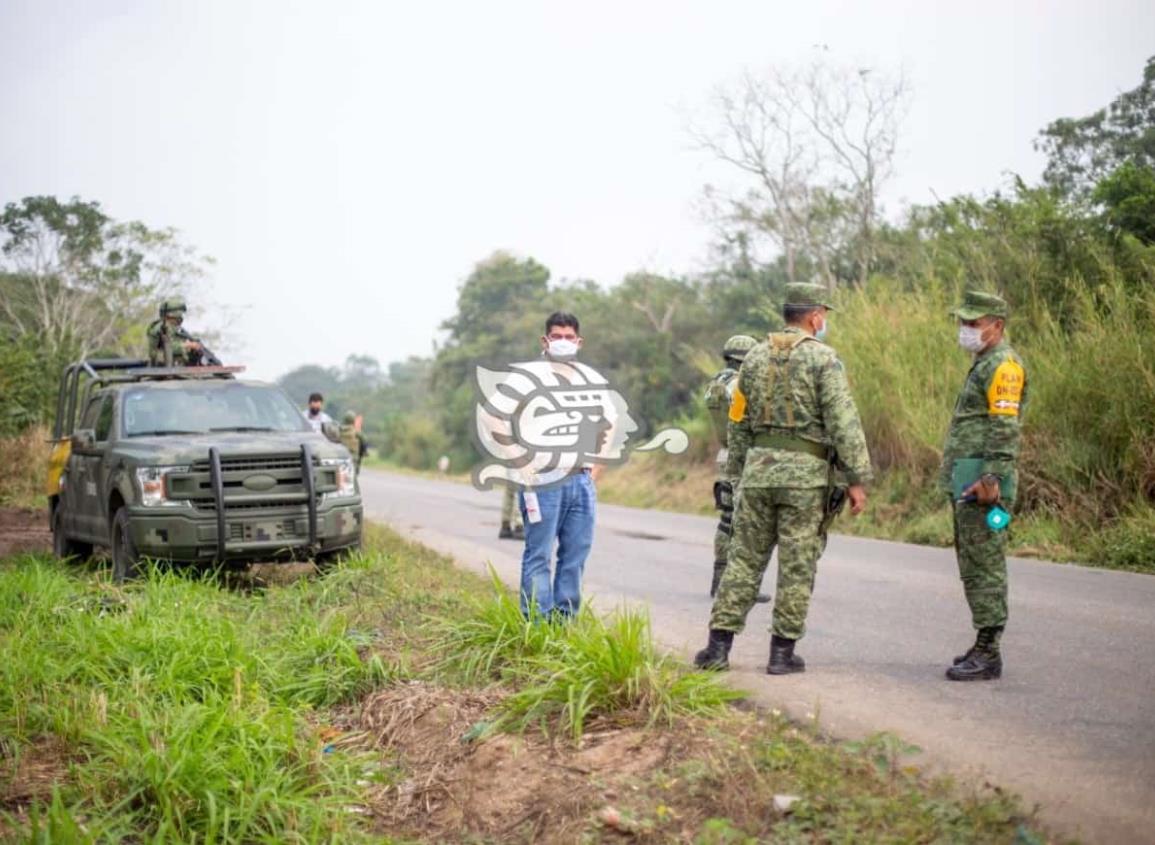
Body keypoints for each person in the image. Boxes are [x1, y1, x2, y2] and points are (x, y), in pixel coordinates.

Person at [695, 283, 872, 674]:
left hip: (758, 475)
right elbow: (844, 422)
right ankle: (781, 655)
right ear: (814, 317)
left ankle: (717, 649)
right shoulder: (824, 360)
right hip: (805, 480)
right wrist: (856, 478)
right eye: (823, 314)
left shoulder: (754, 358)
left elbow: (737, 422)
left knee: (743, 560)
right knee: (797, 564)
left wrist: (738, 473)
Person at [940, 290, 1028, 682]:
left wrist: (991, 478)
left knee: (986, 564)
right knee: (974, 565)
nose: (966, 329)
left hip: (985, 485)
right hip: (969, 479)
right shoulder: (984, 361)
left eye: (974, 323)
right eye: (964, 322)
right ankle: (982, 644)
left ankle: (990, 652)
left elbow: (1003, 426)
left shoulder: (1004, 365)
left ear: (997, 325)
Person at [518, 311, 600, 620]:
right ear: (545, 340)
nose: (563, 343)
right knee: (539, 555)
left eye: (569, 337)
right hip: (542, 480)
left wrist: (595, 471)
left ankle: (563, 628)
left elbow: (608, 424)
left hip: (580, 480)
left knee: (574, 557)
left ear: (579, 341)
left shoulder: (589, 379)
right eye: (557, 337)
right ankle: (537, 628)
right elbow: (493, 417)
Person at [704, 334, 769, 603]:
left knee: (727, 521)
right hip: (743, 456)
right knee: (746, 524)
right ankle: (739, 587)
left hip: (724, 454)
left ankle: (719, 581)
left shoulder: (714, 385)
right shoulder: (738, 385)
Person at [146, 299, 205, 366]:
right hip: (164, 368)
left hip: (177, 367)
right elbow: (168, 348)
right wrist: (188, 345)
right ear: (172, 315)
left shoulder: (174, 328)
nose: (181, 318)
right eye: (179, 315)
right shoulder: (163, 327)